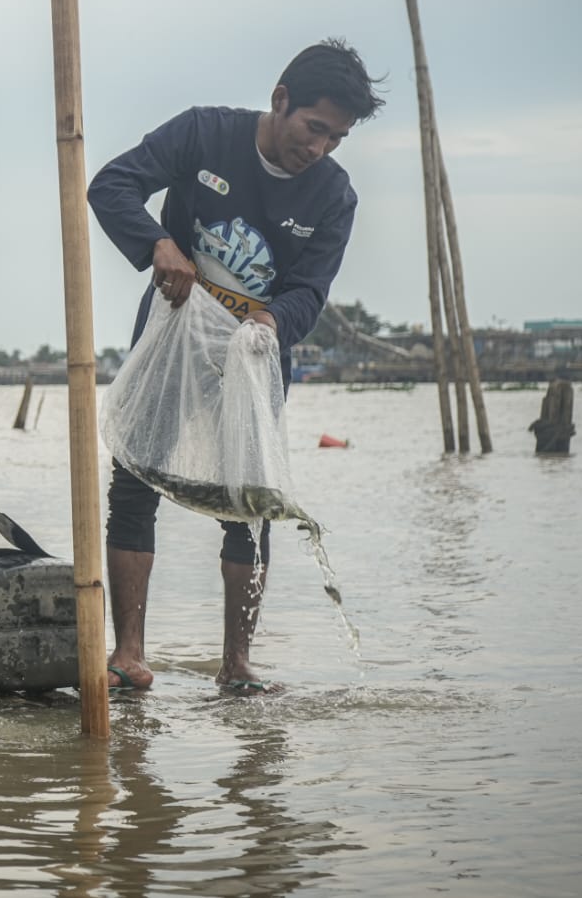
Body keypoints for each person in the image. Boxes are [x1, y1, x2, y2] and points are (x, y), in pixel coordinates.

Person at [87, 39, 383, 694]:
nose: (320, 148)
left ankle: (236, 663)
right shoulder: (204, 134)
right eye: (314, 128)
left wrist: (270, 325)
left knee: (252, 501)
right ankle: (128, 653)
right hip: (174, 328)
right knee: (136, 477)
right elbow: (110, 185)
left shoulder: (334, 195)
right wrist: (157, 243)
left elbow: (310, 289)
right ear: (280, 101)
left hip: (255, 353)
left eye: (336, 138)